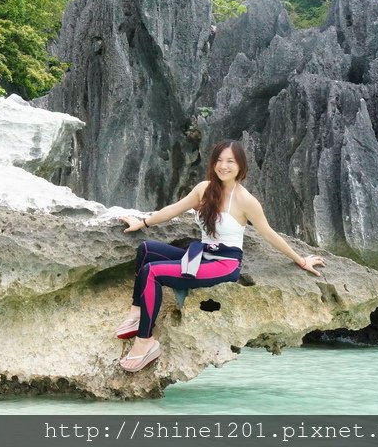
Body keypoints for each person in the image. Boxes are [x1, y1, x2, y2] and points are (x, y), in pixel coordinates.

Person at [114, 139, 325, 372]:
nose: (223, 166)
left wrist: (301, 260)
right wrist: (142, 222)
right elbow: (174, 209)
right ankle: (137, 313)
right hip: (202, 254)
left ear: (241, 166)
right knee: (146, 250)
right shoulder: (204, 189)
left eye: (230, 162)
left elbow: (269, 234)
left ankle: (146, 343)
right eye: (219, 160)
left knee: (152, 272)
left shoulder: (246, 201)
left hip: (224, 264)